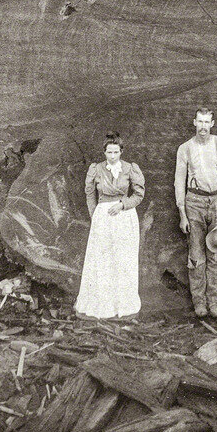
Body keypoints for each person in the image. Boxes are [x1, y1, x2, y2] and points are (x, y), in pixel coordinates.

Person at [75, 132, 145, 319]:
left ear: (121, 151)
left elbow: (139, 195)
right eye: (109, 152)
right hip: (104, 217)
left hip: (124, 216)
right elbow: (90, 193)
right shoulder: (96, 169)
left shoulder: (130, 169)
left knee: (123, 260)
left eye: (116, 152)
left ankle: (122, 306)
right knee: (103, 260)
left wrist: (123, 205)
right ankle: (103, 306)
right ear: (104, 152)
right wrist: (96, 215)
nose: (112, 156)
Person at [175, 108, 217, 318]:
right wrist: (182, 213)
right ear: (194, 123)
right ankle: (199, 303)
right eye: (199, 122)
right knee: (196, 256)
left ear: (212, 123)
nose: (202, 126)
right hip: (194, 203)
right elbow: (178, 181)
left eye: (206, 122)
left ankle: (214, 302)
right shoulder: (185, 148)